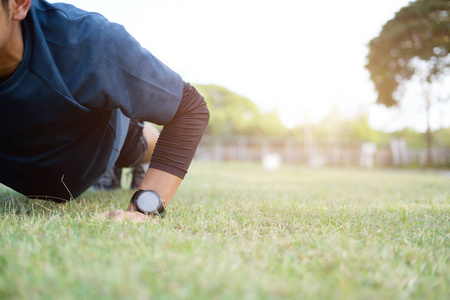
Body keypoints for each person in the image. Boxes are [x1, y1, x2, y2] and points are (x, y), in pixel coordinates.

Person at [0, 0, 209, 222]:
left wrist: (143, 210)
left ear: (18, 4)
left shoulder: (84, 39)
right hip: (28, 162)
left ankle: (134, 149)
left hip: (99, 141)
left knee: (139, 144)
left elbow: (188, 107)